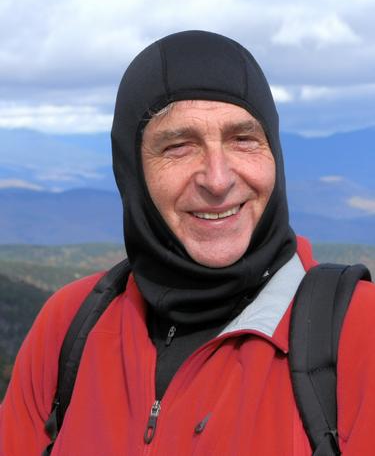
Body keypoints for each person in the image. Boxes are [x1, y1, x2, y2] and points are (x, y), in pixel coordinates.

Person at [0, 30, 374, 455]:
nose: (217, 179)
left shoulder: (357, 332)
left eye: (243, 139)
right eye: (178, 146)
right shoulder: (69, 325)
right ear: (132, 171)